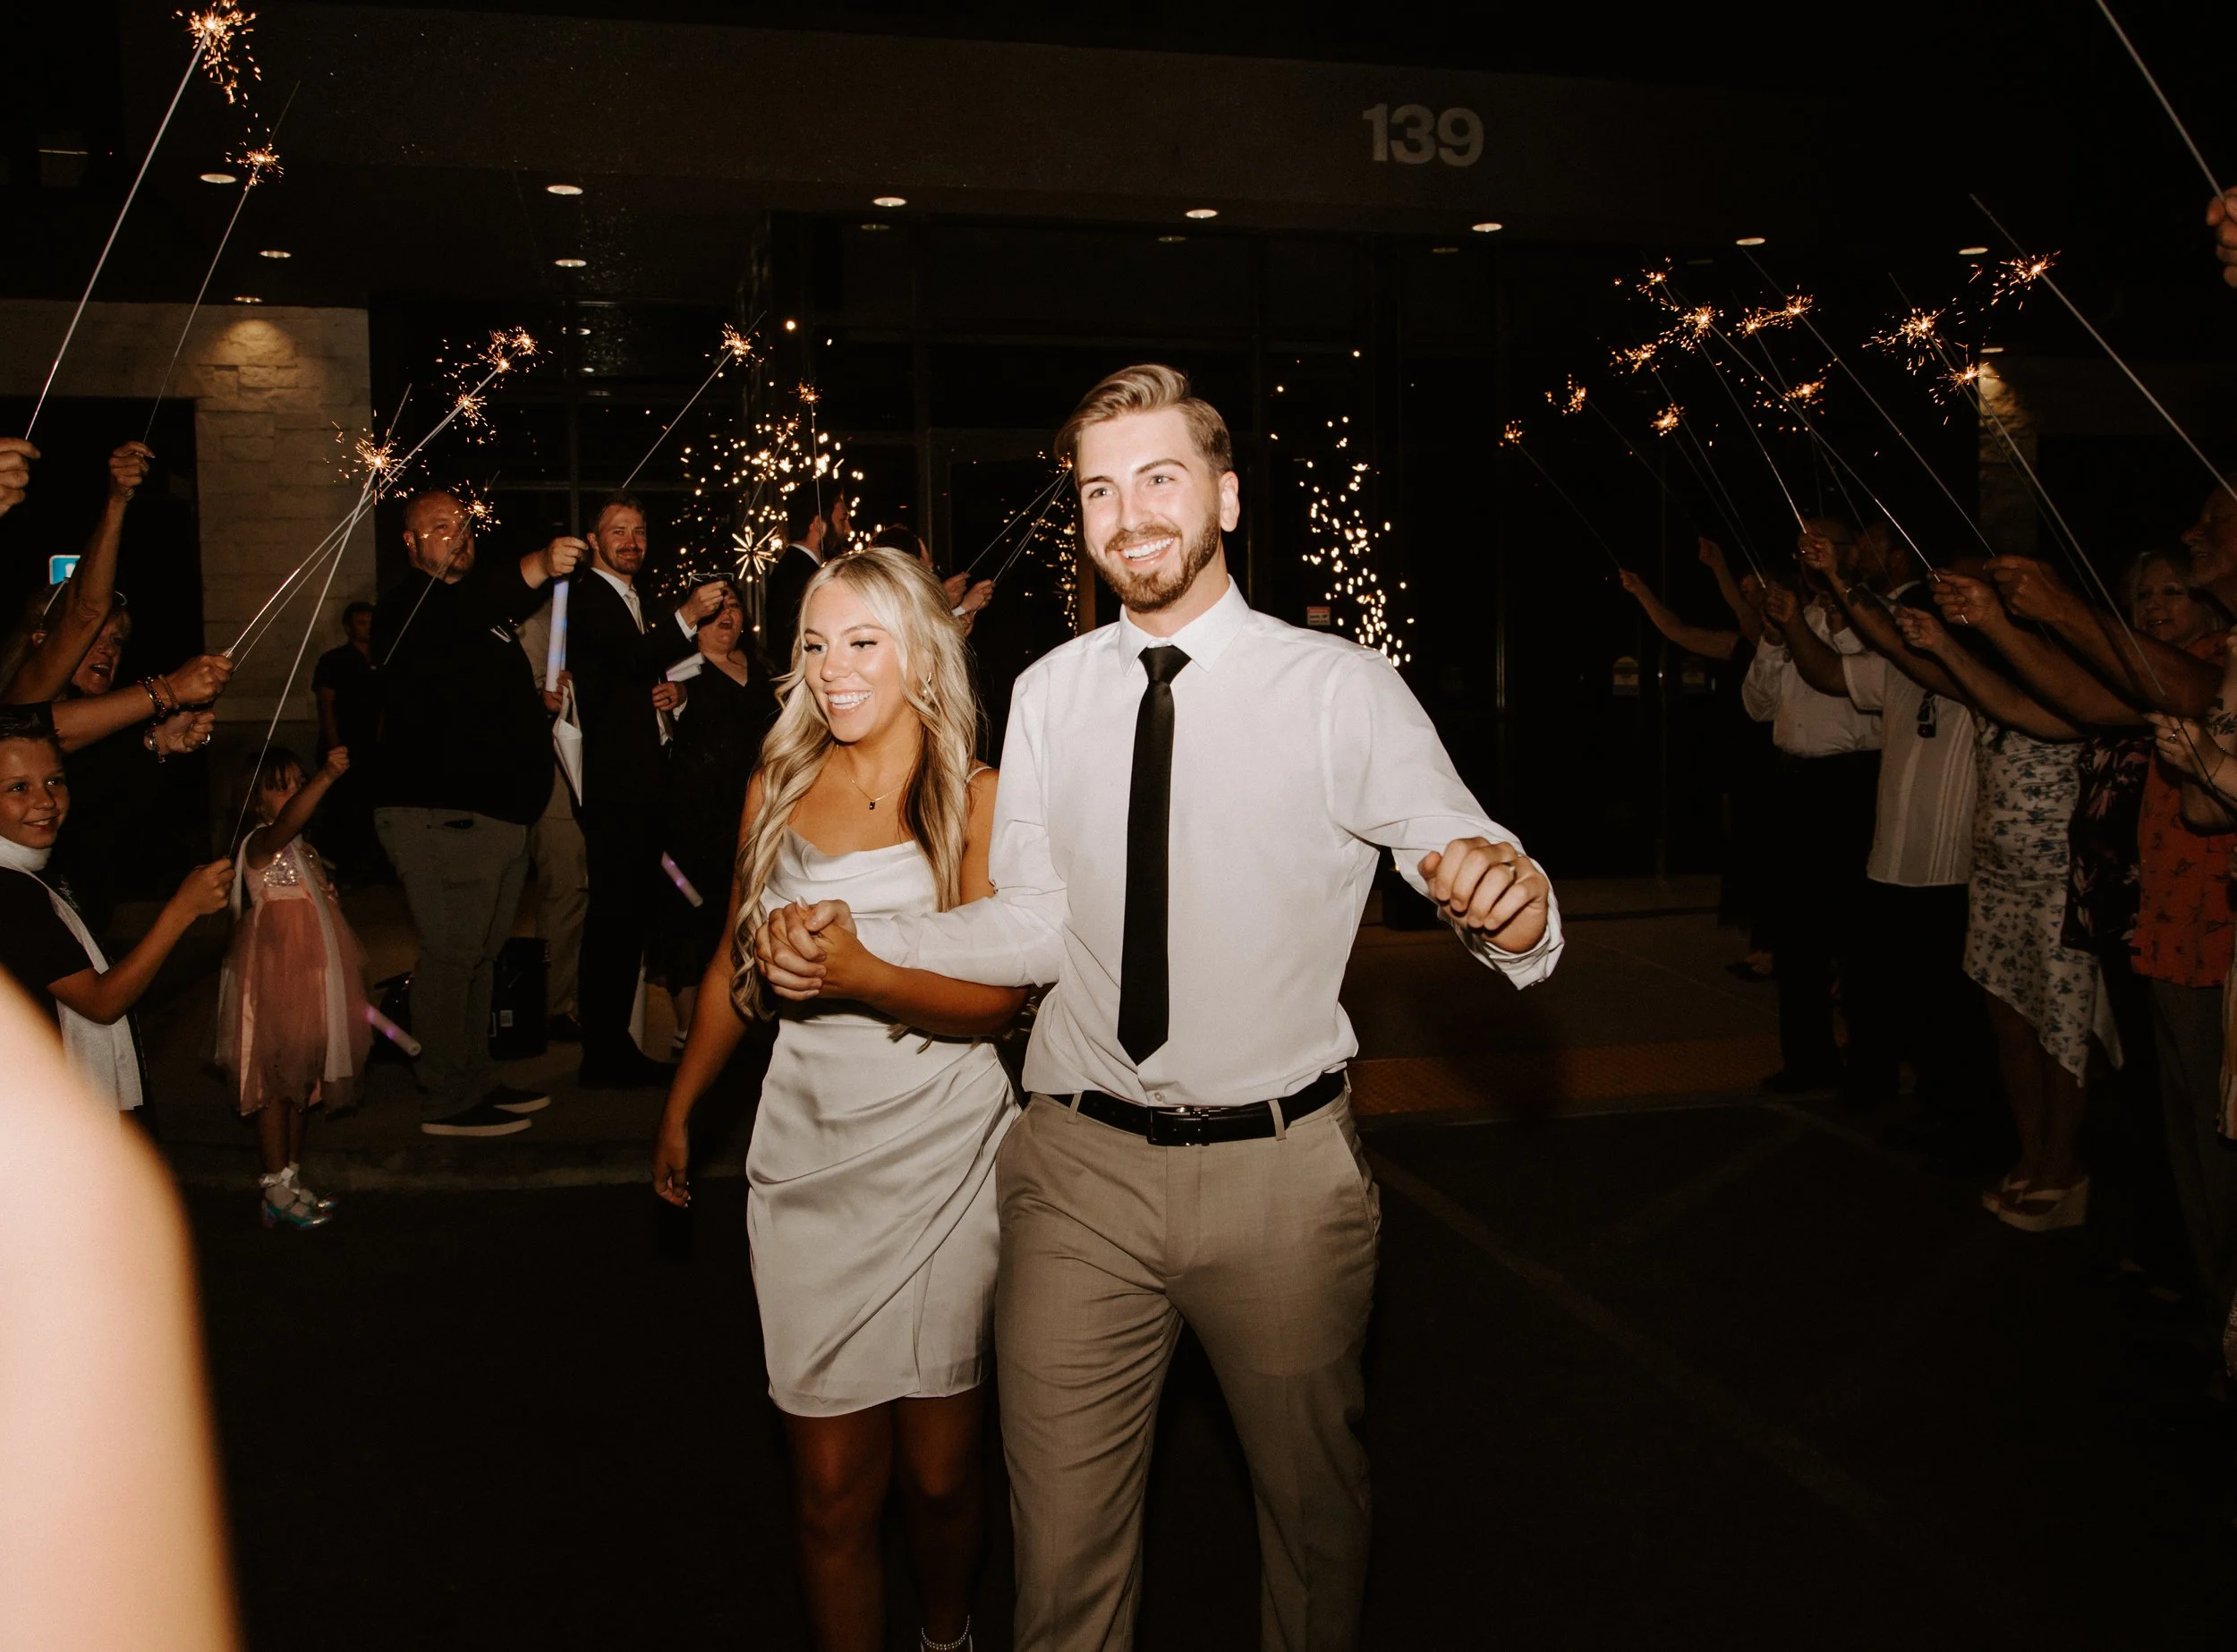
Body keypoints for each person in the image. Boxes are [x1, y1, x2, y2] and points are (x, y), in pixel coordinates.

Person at [758, 364, 1559, 1651]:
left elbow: (1463, 852)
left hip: (1279, 1176)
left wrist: (1510, 906)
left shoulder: (1338, 686)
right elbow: (1032, 919)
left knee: (1312, 1522)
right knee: (1061, 1562)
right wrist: (872, 937)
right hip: (1077, 1170)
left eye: (1161, 479)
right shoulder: (1051, 691)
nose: (1128, 514)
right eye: (1099, 490)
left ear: (1226, 498)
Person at [653, 547, 1022, 1652]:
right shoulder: (775, 786)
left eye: (862, 641)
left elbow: (997, 1001)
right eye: (815, 643)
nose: (832, 667)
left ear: (920, 652)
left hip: (944, 1153)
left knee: (942, 1477)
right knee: (826, 1491)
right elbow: (735, 966)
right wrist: (681, 1105)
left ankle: (946, 1635)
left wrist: (863, 973)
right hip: (808, 1152)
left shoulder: (973, 794)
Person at [370, 489, 576, 1137]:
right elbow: (472, 608)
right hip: (442, 813)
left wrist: (535, 708)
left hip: (494, 813)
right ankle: (445, 1096)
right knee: (453, 953)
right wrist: (539, 564)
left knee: (482, 956)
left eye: (463, 524)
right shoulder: (409, 606)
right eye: (439, 526)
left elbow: (470, 702)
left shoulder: (483, 618)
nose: (458, 533)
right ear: (411, 543)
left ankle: (474, 1076)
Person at [1898, 595, 2099, 1229]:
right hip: (1994, 876)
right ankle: (2031, 1153)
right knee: (2009, 1018)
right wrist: (1851, 594)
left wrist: (1947, 644)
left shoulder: (2079, 692)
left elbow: (2023, 709)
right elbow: (1926, 667)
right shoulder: (1992, 689)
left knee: (2061, 1028)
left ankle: (2063, 1165)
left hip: (2058, 880)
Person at [1784, 528, 1987, 1140]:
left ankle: (1962, 1124)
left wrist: (1838, 580)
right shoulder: (1898, 671)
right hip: (1889, 863)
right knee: (1896, 998)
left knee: (1951, 1010)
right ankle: (1921, 1107)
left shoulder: (1980, 675)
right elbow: (1827, 673)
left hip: (1953, 870)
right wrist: (1793, 620)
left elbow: (1889, 643)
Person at [563, 491, 726, 1086]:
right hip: (616, 787)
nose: (632, 541)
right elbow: (630, 659)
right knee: (612, 921)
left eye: (639, 531)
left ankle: (613, 1048)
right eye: (618, 531)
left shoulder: (633, 598)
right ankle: (603, 1054)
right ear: (593, 541)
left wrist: (673, 695)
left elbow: (639, 672)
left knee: (629, 920)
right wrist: (686, 616)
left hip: (642, 782)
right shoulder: (588, 596)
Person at [0, 708, 230, 1113]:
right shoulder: (11, 891)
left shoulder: (39, 869)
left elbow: (108, 807)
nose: (45, 800)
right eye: (18, 788)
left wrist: (157, 743)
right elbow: (101, 1002)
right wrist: (182, 910)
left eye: (55, 780)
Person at [1742, 522, 1884, 1094]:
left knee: (1858, 935)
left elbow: (1849, 685)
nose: (1811, 555)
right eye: (1804, 548)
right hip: (1795, 784)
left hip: (1851, 783)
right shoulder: (1800, 619)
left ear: (1852, 553)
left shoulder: (1874, 620)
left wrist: (1805, 628)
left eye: (1823, 545)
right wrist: (1773, 640)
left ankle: (1870, 1067)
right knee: (1796, 934)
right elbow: (1757, 707)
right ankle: (1808, 1061)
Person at [215, 745, 373, 1230]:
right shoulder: (262, 842)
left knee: (301, 1083)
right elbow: (286, 824)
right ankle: (274, 1186)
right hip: (275, 979)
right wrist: (325, 776)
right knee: (273, 1083)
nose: (294, 794)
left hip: (309, 982)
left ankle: (291, 1176)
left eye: (298, 784)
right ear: (255, 800)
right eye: (281, 786)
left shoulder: (305, 850)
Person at [659, 580, 775, 1052]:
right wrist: (676, 698)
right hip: (696, 819)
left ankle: (742, 1019)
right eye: (716, 609)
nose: (727, 616)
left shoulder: (762, 668)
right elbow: (670, 701)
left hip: (753, 816)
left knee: (748, 915)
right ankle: (689, 1031)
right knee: (692, 921)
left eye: (734, 607)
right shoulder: (683, 669)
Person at [1, 441, 146, 703]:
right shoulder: (19, 705)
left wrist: (164, 730)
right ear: (41, 641)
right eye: (91, 637)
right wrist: (117, 500)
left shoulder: (99, 723)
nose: (108, 650)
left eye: (117, 640)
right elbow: (87, 610)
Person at [517, 599, 589, 1043]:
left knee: (583, 895)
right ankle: (553, 1005)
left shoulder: (586, 614)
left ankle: (574, 999)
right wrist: (545, 701)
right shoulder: (539, 622)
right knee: (565, 891)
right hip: (556, 774)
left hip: (593, 774)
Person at [311, 600, 383, 881]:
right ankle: (343, 867)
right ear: (348, 627)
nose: (368, 629)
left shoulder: (381, 659)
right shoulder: (334, 661)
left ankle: (369, 867)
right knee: (342, 807)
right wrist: (335, 744)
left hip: (371, 746)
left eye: (371, 623)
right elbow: (326, 703)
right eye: (362, 623)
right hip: (344, 743)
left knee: (370, 807)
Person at [763, 488, 853, 677]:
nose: (848, 530)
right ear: (818, 525)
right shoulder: (803, 576)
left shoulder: (793, 568)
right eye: (842, 520)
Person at [872, 524, 996, 638]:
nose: (932, 580)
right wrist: (941, 600)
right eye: (927, 571)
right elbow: (911, 640)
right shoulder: (879, 604)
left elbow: (926, 632)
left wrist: (963, 608)